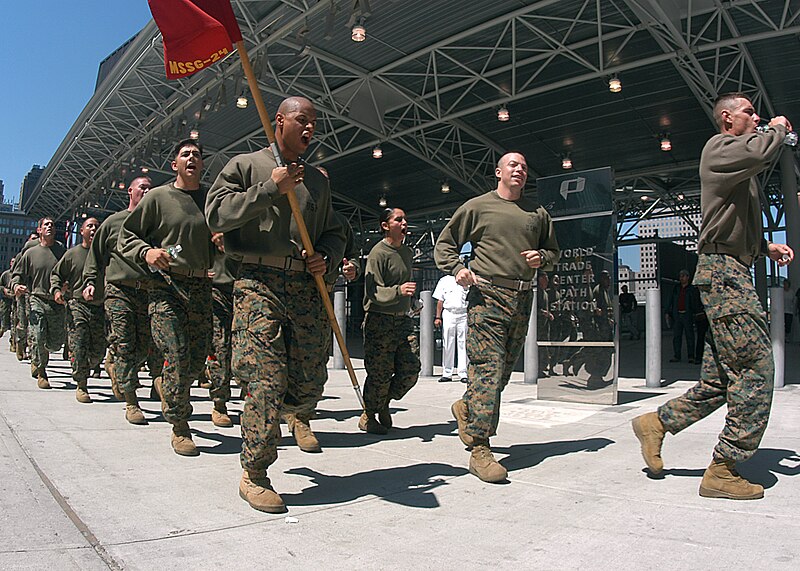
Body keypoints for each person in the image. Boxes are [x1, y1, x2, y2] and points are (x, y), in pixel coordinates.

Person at [632, 92, 793, 500]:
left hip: (732, 269)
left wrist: (763, 248)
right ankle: (724, 467)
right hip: (724, 275)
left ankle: (656, 423)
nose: (757, 118)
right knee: (757, 370)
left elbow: (729, 223)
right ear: (727, 119)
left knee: (720, 380)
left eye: (758, 115)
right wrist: (776, 127)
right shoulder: (720, 149)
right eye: (749, 113)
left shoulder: (740, 166)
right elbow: (760, 153)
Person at [206, 96, 344, 513]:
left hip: (303, 286)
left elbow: (337, 232)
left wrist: (327, 256)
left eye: (314, 123)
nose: (309, 129)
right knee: (265, 379)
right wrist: (270, 189)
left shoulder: (318, 181)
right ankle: (255, 472)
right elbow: (216, 214)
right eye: (302, 120)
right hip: (257, 282)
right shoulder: (246, 166)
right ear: (279, 121)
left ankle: (295, 414)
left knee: (308, 382)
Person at [434, 151, 560, 483]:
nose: (519, 169)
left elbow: (553, 252)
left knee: (500, 375)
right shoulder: (478, 207)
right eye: (513, 165)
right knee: (487, 373)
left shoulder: (537, 213)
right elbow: (444, 245)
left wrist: (541, 258)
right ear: (498, 172)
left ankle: (466, 407)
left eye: (524, 166)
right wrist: (459, 269)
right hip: (486, 296)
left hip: (522, 298)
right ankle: (480, 449)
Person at [119, 139, 215, 456]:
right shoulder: (159, 198)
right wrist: (147, 252)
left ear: (202, 165)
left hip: (201, 288)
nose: (192, 158)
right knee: (175, 352)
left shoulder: (211, 199)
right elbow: (127, 236)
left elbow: (226, 236)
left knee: (195, 360)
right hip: (166, 289)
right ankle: (180, 426)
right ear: (174, 164)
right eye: (185, 154)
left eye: (197, 155)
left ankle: (168, 388)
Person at [83, 176, 160, 424]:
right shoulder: (113, 222)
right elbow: (95, 255)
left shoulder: (156, 224)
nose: (147, 191)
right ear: (130, 191)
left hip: (147, 291)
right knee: (126, 342)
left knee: (143, 346)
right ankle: (131, 401)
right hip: (119, 290)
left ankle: (115, 364)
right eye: (142, 187)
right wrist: (90, 282)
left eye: (150, 188)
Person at [360, 207, 421, 434]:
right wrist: (398, 291)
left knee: (411, 368)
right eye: (399, 219)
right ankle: (369, 414)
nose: (404, 223)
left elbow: (407, 285)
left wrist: (411, 302)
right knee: (380, 372)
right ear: (385, 225)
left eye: (405, 219)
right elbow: (372, 291)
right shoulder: (378, 253)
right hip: (380, 320)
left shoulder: (406, 253)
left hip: (402, 319)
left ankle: (383, 402)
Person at [51, 217, 105, 403]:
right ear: (81, 231)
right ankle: (81, 384)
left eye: (97, 226)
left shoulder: (104, 254)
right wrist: (56, 290)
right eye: (89, 226)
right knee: (79, 344)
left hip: (100, 306)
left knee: (98, 351)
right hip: (77, 305)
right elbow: (57, 274)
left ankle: (85, 367)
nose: (93, 229)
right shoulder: (72, 254)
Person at [11, 217, 67, 389]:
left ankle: (39, 357)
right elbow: (17, 274)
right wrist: (16, 285)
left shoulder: (61, 251)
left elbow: (70, 272)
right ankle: (41, 369)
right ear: (40, 230)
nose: (50, 227)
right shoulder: (30, 253)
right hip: (37, 298)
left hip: (56, 302)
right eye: (46, 225)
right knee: (38, 334)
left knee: (55, 342)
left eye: (52, 225)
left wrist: (67, 286)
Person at [432, 268, 469, 383]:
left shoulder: (466, 278)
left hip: (463, 313)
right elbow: (440, 300)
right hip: (449, 313)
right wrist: (438, 317)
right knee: (448, 343)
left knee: (464, 343)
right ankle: (447, 373)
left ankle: (463, 373)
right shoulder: (444, 280)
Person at [665, 269, 699, 363]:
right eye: (680, 276)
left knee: (690, 336)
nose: (681, 278)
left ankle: (691, 356)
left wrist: (696, 313)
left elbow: (695, 302)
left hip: (687, 315)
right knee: (677, 336)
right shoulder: (676, 288)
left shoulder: (692, 289)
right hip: (677, 315)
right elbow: (671, 300)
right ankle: (677, 355)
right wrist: (667, 312)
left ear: (688, 277)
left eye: (683, 276)